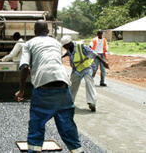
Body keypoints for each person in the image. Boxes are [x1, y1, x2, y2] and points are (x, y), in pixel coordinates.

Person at [15, 21, 84, 153]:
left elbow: (24, 67)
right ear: (48, 32)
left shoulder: (29, 44)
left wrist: (21, 91)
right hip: (63, 85)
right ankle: (78, 150)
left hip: (43, 88)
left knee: (37, 124)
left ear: (34, 32)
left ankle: (35, 150)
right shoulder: (57, 44)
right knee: (67, 125)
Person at [60, 35, 109, 112]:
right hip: (77, 69)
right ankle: (69, 102)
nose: (65, 48)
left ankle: (92, 103)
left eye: (65, 46)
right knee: (72, 85)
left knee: (89, 83)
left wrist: (104, 63)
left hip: (87, 67)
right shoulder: (69, 49)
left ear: (69, 43)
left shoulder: (81, 46)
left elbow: (94, 54)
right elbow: (67, 54)